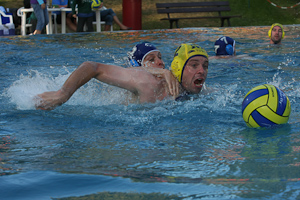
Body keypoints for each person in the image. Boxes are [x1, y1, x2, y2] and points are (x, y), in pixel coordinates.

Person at [35, 43, 208, 110]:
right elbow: (92, 67)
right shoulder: (143, 81)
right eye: (151, 60)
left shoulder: (177, 83)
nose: (160, 64)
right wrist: (62, 94)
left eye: (161, 58)